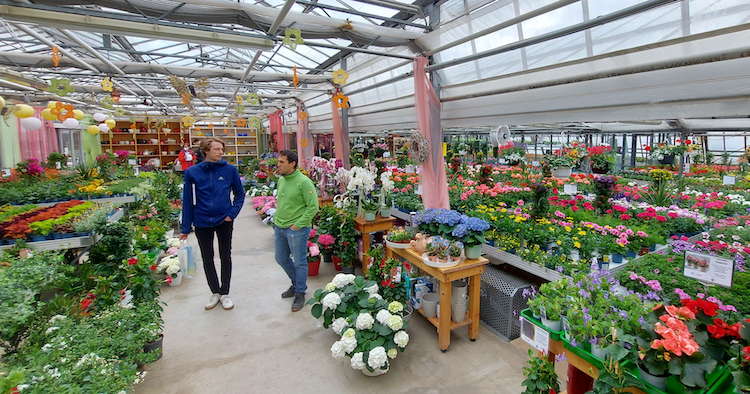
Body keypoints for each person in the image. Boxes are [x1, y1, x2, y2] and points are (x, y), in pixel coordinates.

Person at [180, 137, 245, 310]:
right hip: (201, 220)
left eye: (222, 149)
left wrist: (231, 214)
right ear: (206, 151)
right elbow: (187, 200)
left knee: (225, 256)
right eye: (216, 149)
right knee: (207, 258)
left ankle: (225, 293)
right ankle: (214, 292)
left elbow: (240, 194)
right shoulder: (192, 172)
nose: (221, 152)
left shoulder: (230, 170)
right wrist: (185, 227)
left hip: (224, 219)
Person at [273, 149, 320, 312]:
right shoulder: (281, 180)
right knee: (281, 258)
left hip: (296, 229)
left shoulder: (304, 181)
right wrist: (277, 220)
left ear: (292, 163)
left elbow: (313, 207)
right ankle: (297, 283)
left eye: (281, 162)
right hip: (280, 226)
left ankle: (300, 292)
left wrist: (297, 225)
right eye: (278, 162)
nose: (278, 165)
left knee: (300, 261)